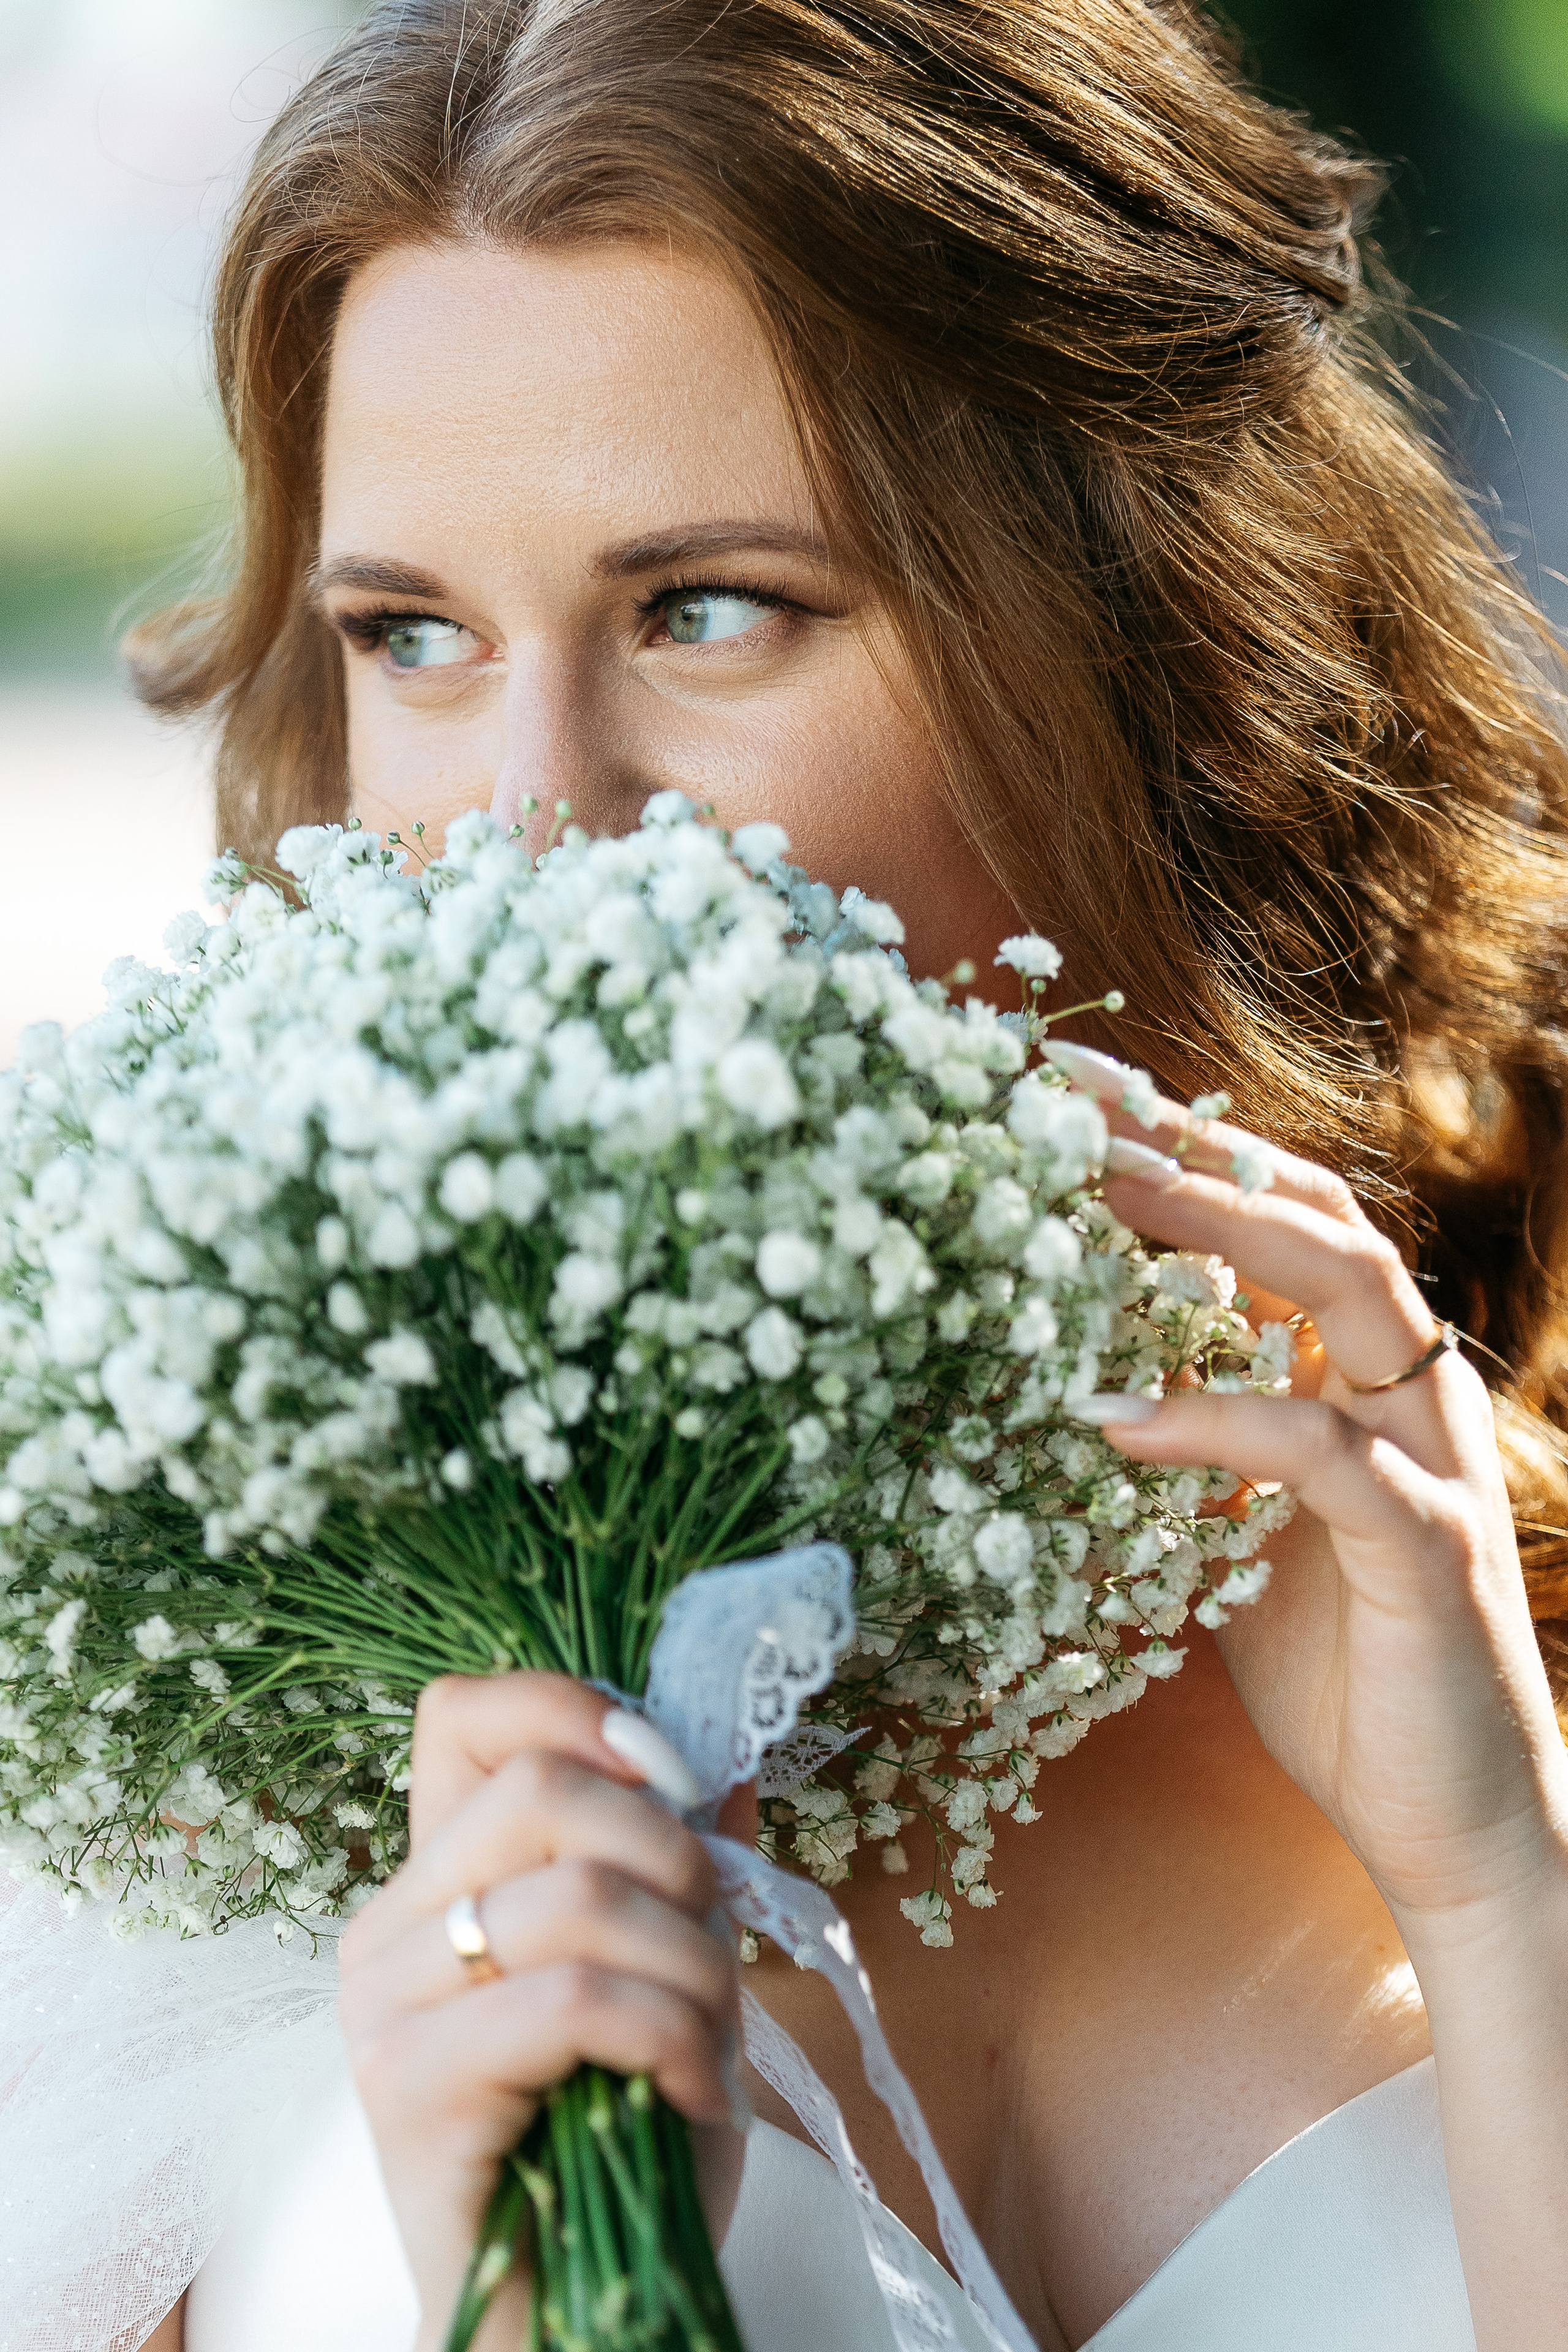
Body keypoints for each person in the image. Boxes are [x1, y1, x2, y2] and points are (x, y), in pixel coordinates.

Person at [106, 1, 1568, 2346]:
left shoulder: (1477, 1625)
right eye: (414, 637)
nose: (526, 819)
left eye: (709, 610)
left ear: (1126, 650)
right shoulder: (184, 1708)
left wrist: (1505, 1895)